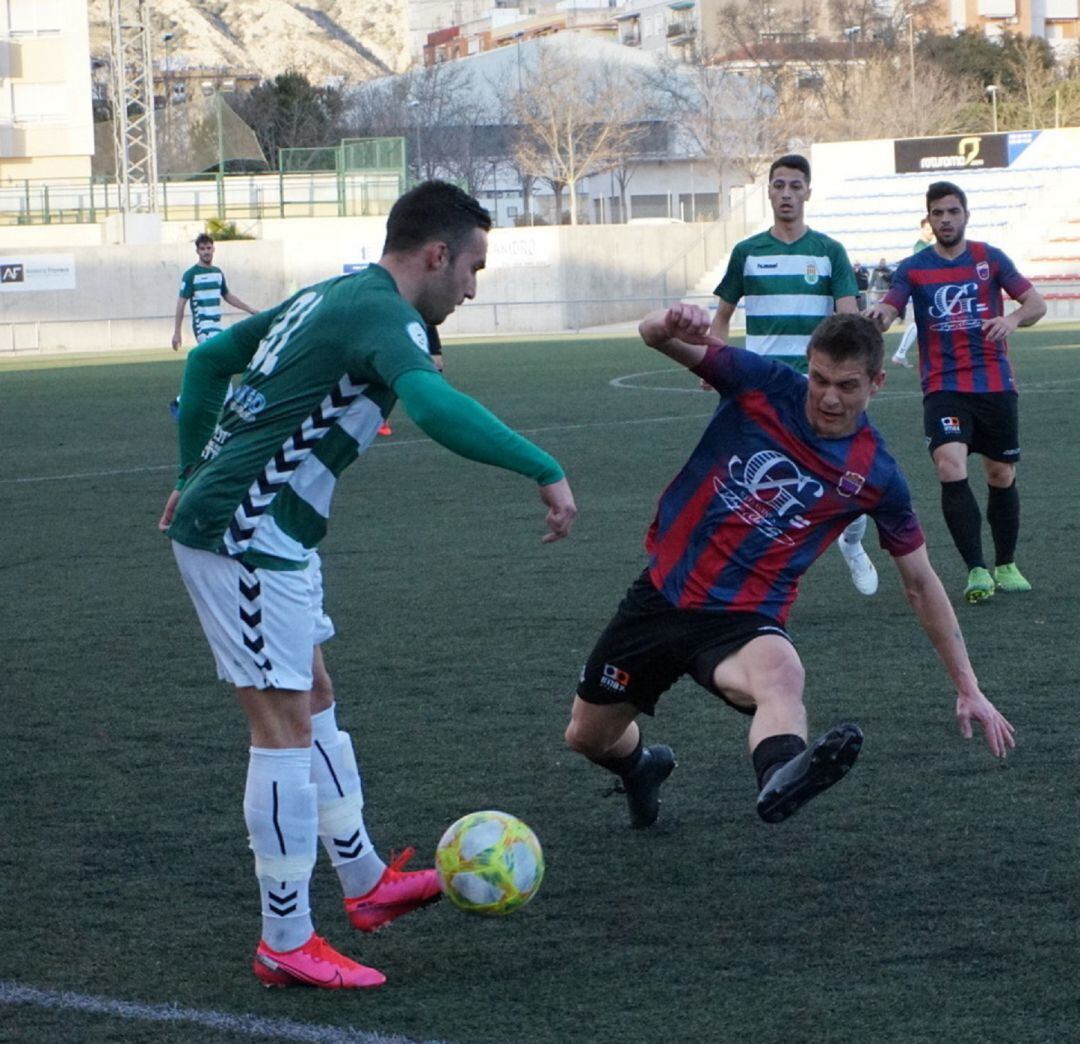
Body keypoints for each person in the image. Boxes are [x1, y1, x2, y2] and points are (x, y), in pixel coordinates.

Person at [158, 181, 577, 990]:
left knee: (312, 695)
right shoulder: (388, 317)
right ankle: (285, 938)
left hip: (268, 530)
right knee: (279, 727)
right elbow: (435, 406)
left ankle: (365, 881)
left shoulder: (338, 293)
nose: (472, 287)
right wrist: (543, 467)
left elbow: (211, 360)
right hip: (243, 536)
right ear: (436, 255)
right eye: (473, 268)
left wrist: (192, 470)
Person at [564, 304, 1014, 832]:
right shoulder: (763, 383)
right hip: (661, 594)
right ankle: (643, 767)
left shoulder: (877, 474)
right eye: (820, 378)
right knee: (586, 737)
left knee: (781, 673)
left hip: (743, 617)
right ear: (808, 365)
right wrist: (667, 326)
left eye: (847, 386)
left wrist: (969, 686)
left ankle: (781, 775)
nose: (828, 396)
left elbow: (920, 582)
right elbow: (652, 337)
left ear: (877, 383)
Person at [865, 180, 1046, 604]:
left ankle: (1005, 562)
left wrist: (1014, 320)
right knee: (950, 466)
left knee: (1000, 474)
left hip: (995, 382)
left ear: (966, 214)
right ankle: (976, 570)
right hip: (944, 386)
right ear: (928, 220)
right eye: (937, 213)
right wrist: (879, 315)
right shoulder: (913, 267)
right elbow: (891, 307)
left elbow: (1034, 304)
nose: (945, 219)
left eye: (952, 211)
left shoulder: (990, 258)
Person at [710, 153, 877, 597]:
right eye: (778, 185)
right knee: (755, 485)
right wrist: (715, 364)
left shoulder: (828, 252)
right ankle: (753, 581)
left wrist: (859, 360)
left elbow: (848, 320)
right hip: (763, 389)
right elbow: (722, 318)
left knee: (851, 478)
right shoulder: (747, 252)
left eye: (795, 186)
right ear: (768, 191)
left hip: (818, 388)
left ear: (807, 192)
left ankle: (853, 543)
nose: (786, 194)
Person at [169, 233, 259, 417]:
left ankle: (181, 401)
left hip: (217, 327)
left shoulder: (217, 273)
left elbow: (227, 295)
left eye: (208, 248)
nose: (206, 252)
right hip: (203, 327)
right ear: (197, 251)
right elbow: (181, 303)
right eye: (202, 249)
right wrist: (177, 332)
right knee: (222, 361)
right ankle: (229, 406)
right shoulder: (191, 275)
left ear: (213, 249)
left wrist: (250, 309)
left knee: (217, 367)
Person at [377, 324, 441, 436]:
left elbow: (428, 321)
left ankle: (433, 414)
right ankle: (380, 417)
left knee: (431, 373)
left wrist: (435, 350)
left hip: (414, 337)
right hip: (389, 338)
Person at [890, 218, 935, 368]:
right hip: (924, 289)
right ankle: (900, 354)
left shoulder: (925, 246)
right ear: (923, 229)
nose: (931, 231)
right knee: (919, 322)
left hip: (926, 288)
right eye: (928, 228)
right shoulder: (921, 246)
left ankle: (902, 354)